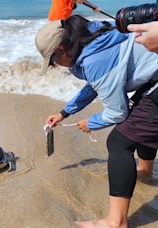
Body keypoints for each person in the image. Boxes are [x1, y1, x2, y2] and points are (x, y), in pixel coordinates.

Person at [35, 15, 158, 228]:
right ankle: (145, 171)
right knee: (139, 118)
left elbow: (117, 113)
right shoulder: (93, 36)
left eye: (53, 61)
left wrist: (90, 123)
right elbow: (94, 85)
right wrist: (64, 112)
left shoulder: (94, 60)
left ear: (61, 51)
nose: (57, 66)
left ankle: (115, 222)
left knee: (119, 142)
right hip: (153, 78)